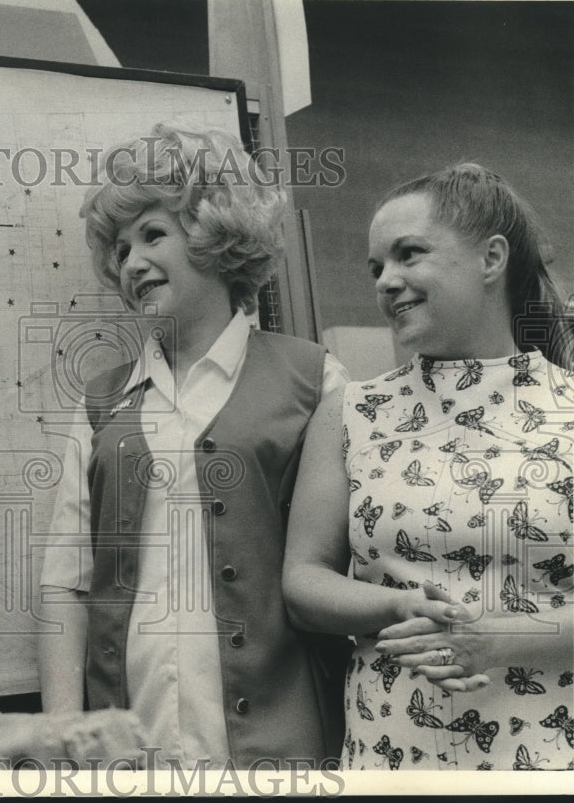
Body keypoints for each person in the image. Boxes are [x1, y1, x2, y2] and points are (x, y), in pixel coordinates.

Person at [37, 123, 350, 769]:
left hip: (282, 749)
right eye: (120, 250)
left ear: (216, 233)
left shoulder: (315, 380)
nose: (131, 264)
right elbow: (66, 585)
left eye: (153, 235)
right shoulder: (100, 404)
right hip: (132, 749)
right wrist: (65, 736)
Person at [283, 162, 574, 771]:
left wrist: (498, 640)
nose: (386, 281)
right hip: (389, 754)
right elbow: (304, 582)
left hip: (555, 755)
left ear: (491, 259)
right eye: (375, 268)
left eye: (408, 254)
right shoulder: (352, 412)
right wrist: (394, 606)